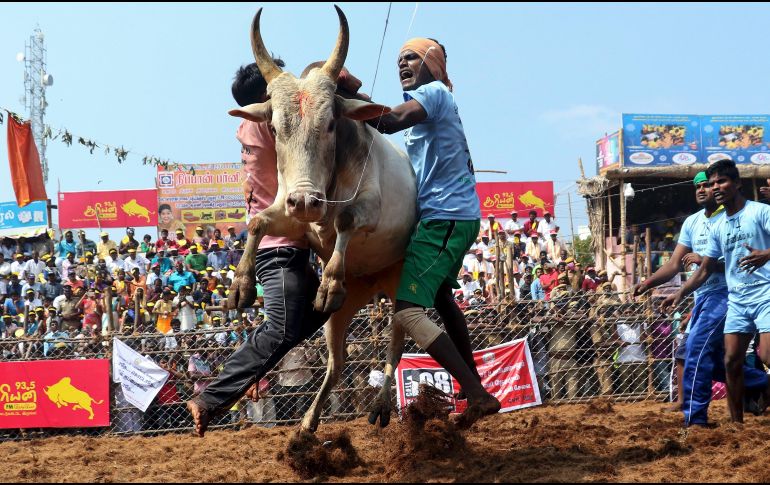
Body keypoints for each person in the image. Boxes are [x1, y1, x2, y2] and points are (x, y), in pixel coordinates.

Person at [187, 58, 345, 437]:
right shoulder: (267, 123)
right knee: (281, 328)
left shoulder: (249, 127)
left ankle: (213, 398)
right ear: (266, 98)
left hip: (290, 248)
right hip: (279, 249)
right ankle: (209, 399)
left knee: (331, 302)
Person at [366, 37, 500, 427]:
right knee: (441, 297)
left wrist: (341, 104)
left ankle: (476, 393)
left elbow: (391, 121)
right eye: (399, 60)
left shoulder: (434, 92)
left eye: (411, 57)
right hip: (456, 217)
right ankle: (471, 387)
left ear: (433, 64)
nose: (402, 64)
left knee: (408, 311)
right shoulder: (435, 99)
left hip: (444, 218)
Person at [662, 161, 770, 424]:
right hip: (737, 299)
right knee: (731, 360)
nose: (715, 187)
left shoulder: (760, 212)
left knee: (767, 356)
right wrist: (682, 293)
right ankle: (736, 423)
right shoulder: (719, 226)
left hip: (765, 293)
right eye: (712, 183)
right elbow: (705, 269)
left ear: (738, 183)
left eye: (721, 181)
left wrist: (766, 254)